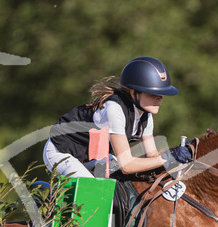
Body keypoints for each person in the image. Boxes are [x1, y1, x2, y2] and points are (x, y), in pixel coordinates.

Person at [43, 56, 192, 179]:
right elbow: (127, 165)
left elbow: (152, 155)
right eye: (152, 93)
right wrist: (168, 157)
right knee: (93, 190)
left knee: (130, 183)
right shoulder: (114, 109)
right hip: (60, 152)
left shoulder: (145, 115)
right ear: (133, 93)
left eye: (162, 94)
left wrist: (175, 159)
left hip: (92, 157)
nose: (160, 98)